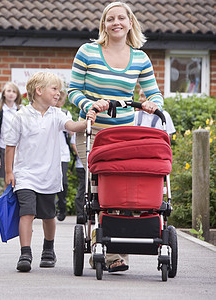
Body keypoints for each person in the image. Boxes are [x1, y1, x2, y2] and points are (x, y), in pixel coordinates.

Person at [68, 1, 164, 273]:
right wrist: (90, 104)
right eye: (110, 19)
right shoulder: (88, 52)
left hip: (124, 134)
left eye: (121, 18)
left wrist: (152, 104)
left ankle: (116, 250)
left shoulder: (140, 58)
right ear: (104, 25)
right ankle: (109, 252)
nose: (116, 23)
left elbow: (154, 93)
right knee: (101, 189)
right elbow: (73, 89)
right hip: (93, 132)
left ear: (130, 23)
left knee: (122, 190)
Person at [5, 71, 96, 272]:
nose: (58, 93)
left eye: (59, 90)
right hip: (26, 175)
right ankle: (25, 253)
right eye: (54, 89)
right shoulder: (21, 116)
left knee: (48, 216)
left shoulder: (57, 114)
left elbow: (72, 126)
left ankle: (48, 249)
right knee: (27, 213)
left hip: (49, 176)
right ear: (39, 91)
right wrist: (9, 173)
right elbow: (10, 145)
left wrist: (88, 120)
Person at [0, 82, 22, 179]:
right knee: (7, 179)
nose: (11, 93)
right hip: (4, 148)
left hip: (19, 149)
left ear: (17, 95)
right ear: (4, 94)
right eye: (8, 91)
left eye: (14, 91)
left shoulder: (21, 110)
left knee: (18, 178)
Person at [54, 91, 72, 221]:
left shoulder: (65, 113)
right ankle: (51, 207)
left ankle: (62, 205)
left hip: (63, 154)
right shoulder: (46, 112)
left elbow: (71, 130)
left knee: (63, 182)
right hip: (49, 153)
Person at [70, 133, 86, 224]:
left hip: (93, 163)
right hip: (81, 164)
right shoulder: (78, 126)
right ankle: (80, 213)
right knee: (83, 187)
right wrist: (83, 156)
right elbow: (74, 144)